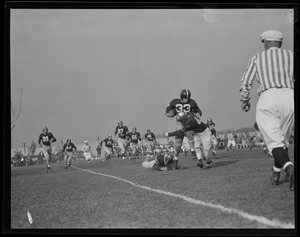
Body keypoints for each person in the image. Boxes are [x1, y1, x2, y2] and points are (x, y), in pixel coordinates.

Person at [240, 30, 294, 191]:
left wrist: (245, 100)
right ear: (280, 43)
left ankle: (290, 170)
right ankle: (276, 174)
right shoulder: (291, 55)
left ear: (265, 43)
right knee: (281, 140)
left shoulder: (258, 58)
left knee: (274, 142)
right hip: (290, 97)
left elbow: (246, 82)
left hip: (269, 97)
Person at [165, 89, 203, 160]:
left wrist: (198, 113)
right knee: (178, 144)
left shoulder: (192, 102)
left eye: (188, 98)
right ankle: (175, 159)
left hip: (188, 123)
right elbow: (169, 107)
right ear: (182, 97)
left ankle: (193, 153)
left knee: (190, 137)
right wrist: (167, 113)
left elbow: (198, 110)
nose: (187, 100)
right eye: (185, 98)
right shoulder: (175, 102)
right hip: (179, 123)